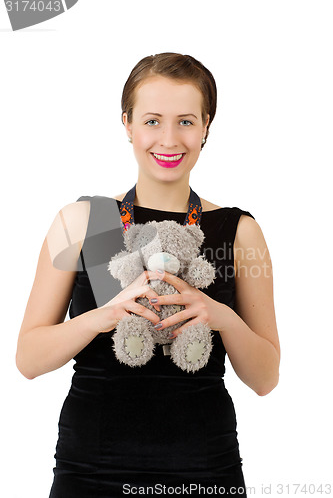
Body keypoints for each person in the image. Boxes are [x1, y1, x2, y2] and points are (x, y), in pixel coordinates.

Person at [16, 52, 280, 497]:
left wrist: (220, 316)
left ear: (206, 127)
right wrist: (107, 314)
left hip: (205, 471)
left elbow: (265, 377)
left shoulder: (239, 231)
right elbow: (28, 358)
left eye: (186, 121)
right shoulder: (84, 221)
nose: (170, 139)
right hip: (90, 470)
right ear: (128, 124)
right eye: (153, 121)